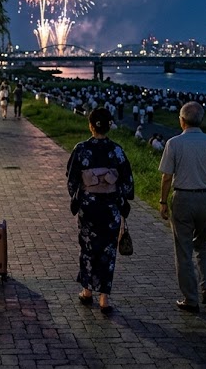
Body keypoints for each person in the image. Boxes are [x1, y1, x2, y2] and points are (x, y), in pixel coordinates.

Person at [158, 102, 206, 313]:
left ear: (181, 120)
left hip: (182, 198)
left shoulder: (174, 143)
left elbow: (166, 177)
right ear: (201, 120)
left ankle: (190, 299)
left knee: (183, 249)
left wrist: (163, 202)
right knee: (204, 245)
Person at [67, 108, 135, 314]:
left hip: (88, 207)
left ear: (90, 125)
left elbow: (72, 180)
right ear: (109, 127)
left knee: (88, 247)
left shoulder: (81, 149)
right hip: (110, 208)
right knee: (108, 250)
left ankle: (87, 290)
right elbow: (127, 182)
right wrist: (118, 195)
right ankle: (104, 298)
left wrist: (80, 195)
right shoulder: (116, 151)